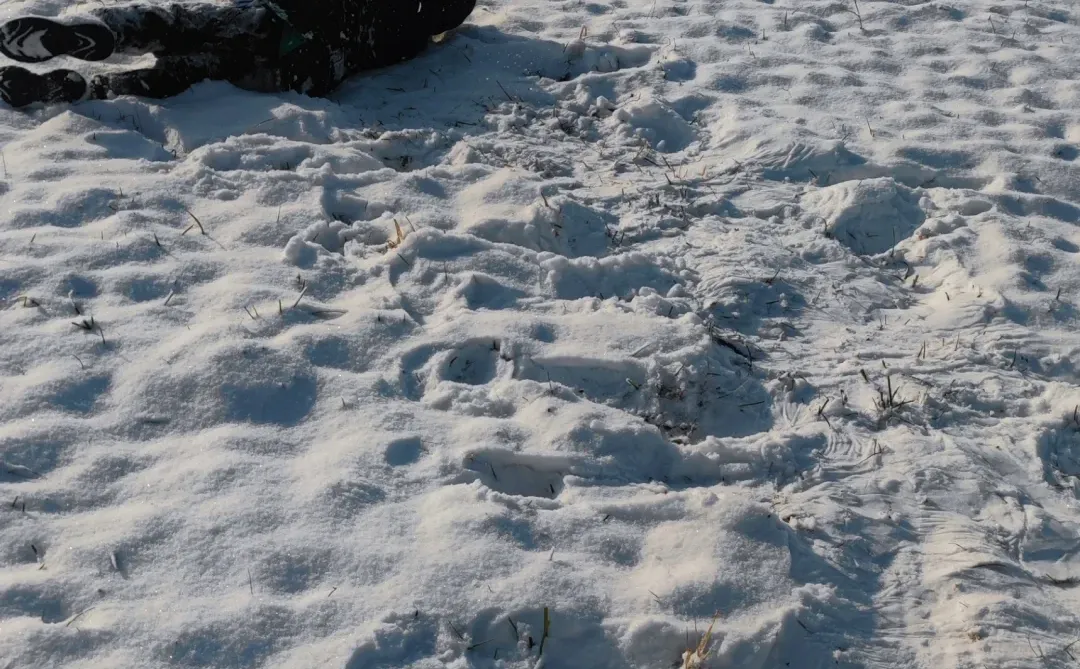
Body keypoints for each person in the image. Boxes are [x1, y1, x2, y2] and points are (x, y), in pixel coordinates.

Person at [0, 0, 476, 107]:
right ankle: (92, 88)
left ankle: (103, 31)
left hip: (277, 22)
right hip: (303, 69)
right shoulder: (412, 31)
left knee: (179, 25)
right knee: (192, 72)